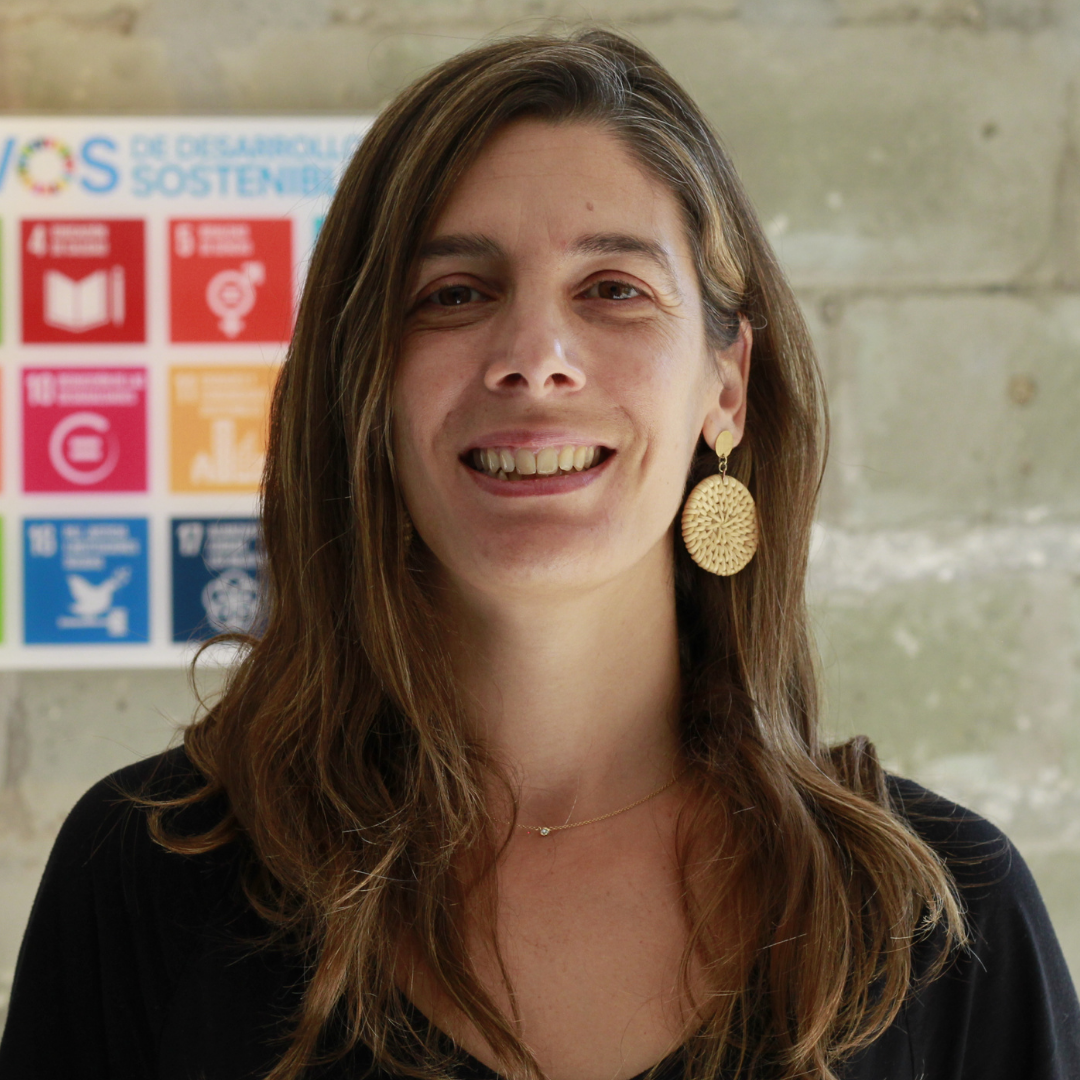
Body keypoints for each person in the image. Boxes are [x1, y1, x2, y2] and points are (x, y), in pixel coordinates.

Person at [1, 27, 1078, 1080]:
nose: (534, 358)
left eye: (613, 289)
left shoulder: (944, 919)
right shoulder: (146, 878)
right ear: (362, 388)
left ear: (728, 384)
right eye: (455, 295)